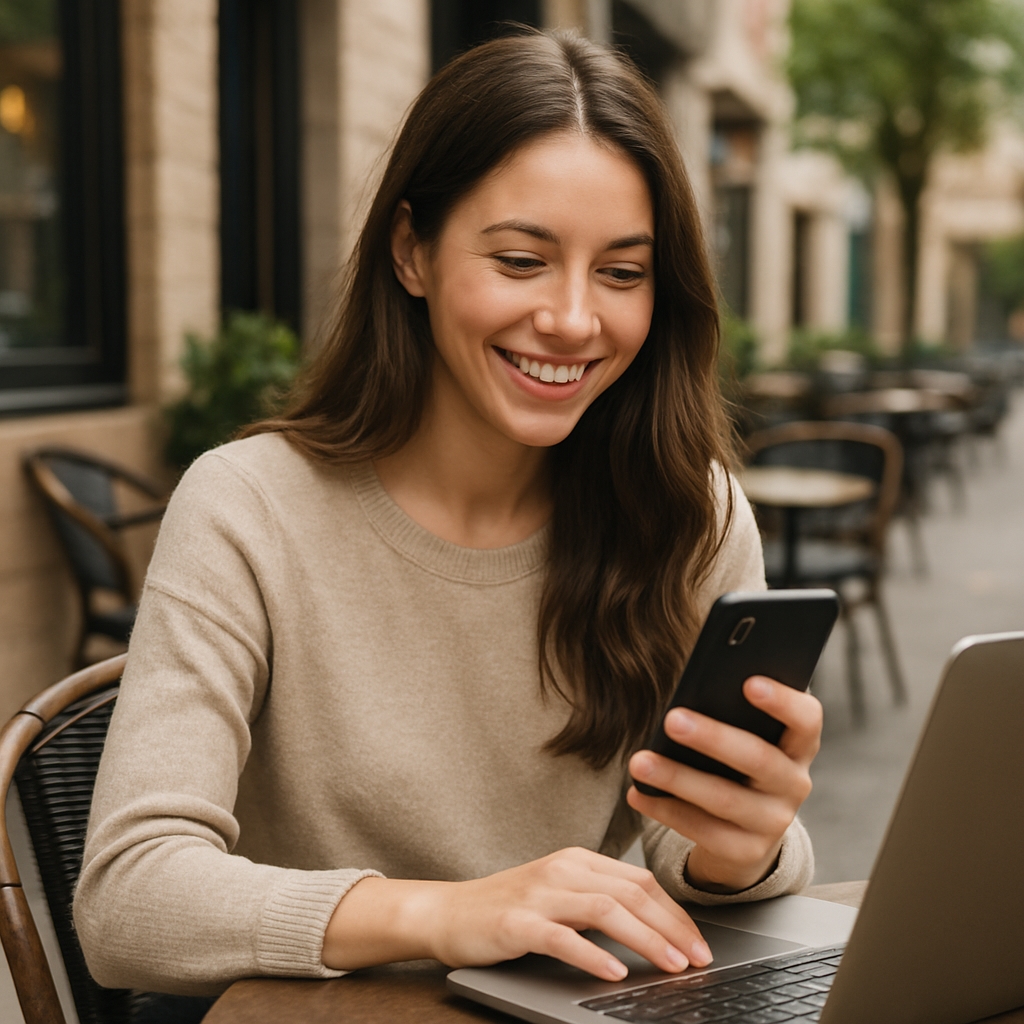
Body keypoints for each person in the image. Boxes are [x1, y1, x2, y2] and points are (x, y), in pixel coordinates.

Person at [73, 29, 820, 1006]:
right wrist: (450, 911)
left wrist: (744, 842)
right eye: (520, 259)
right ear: (410, 250)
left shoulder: (688, 513)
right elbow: (128, 905)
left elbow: (685, 855)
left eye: (622, 273)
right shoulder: (247, 507)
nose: (572, 318)